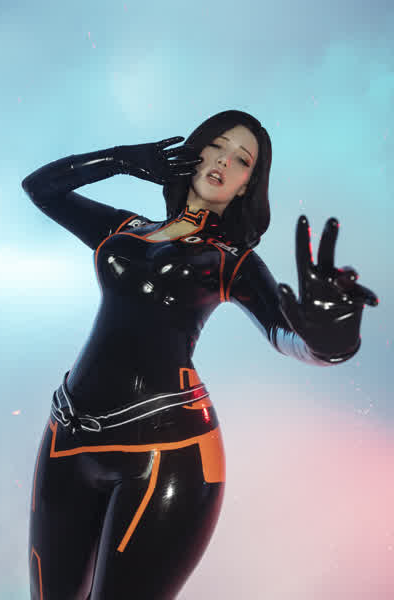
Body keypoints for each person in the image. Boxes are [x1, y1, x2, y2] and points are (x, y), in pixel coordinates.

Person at [22, 109, 378, 599]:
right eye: (217, 145)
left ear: (248, 186)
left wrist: (332, 340)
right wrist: (121, 160)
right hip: (67, 436)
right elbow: (41, 189)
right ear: (194, 151)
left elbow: (287, 335)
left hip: (170, 453)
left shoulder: (233, 260)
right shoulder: (125, 228)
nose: (224, 161)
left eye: (242, 160)